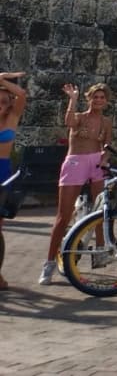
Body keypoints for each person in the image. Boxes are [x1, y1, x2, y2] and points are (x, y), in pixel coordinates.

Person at [42, 82, 113, 285]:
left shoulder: (107, 121)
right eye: (95, 97)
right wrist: (72, 99)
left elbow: (107, 144)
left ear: (106, 101)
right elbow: (69, 122)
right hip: (75, 161)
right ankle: (48, 263)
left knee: (101, 210)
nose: (98, 100)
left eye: (102, 97)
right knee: (63, 216)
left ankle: (99, 252)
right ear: (89, 98)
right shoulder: (80, 116)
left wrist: (105, 158)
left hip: (96, 162)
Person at [0, 72, 28, 290]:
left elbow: (22, 95)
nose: (0, 105)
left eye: (4, 101)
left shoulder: (12, 118)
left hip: (3, 171)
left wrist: (2, 79)